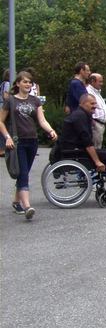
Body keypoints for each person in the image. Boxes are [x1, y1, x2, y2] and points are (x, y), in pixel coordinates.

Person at [0, 71, 58, 220]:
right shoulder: (10, 101)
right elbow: (1, 121)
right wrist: (7, 137)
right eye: (25, 82)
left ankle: (15, 201)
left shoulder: (35, 100)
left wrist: (51, 130)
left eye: (29, 82)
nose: (28, 84)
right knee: (23, 174)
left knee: (23, 173)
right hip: (17, 141)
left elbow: (42, 120)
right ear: (18, 83)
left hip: (32, 141)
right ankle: (27, 206)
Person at [61, 93, 106, 201]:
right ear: (83, 103)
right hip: (71, 151)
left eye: (95, 103)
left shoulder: (82, 114)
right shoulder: (80, 117)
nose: (95, 106)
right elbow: (87, 141)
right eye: (92, 103)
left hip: (73, 148)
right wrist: (97, 162)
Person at [86, 73, 106, 149]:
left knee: (98, 146)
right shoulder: (88, 92)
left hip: (100, 124)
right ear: (92, 81)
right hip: (95, 124)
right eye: (100, 81)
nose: (102, 84)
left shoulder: (97, 92)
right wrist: (91, 119)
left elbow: (98, 108)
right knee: (95, 148)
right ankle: (94, 161)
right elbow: (88, 108)